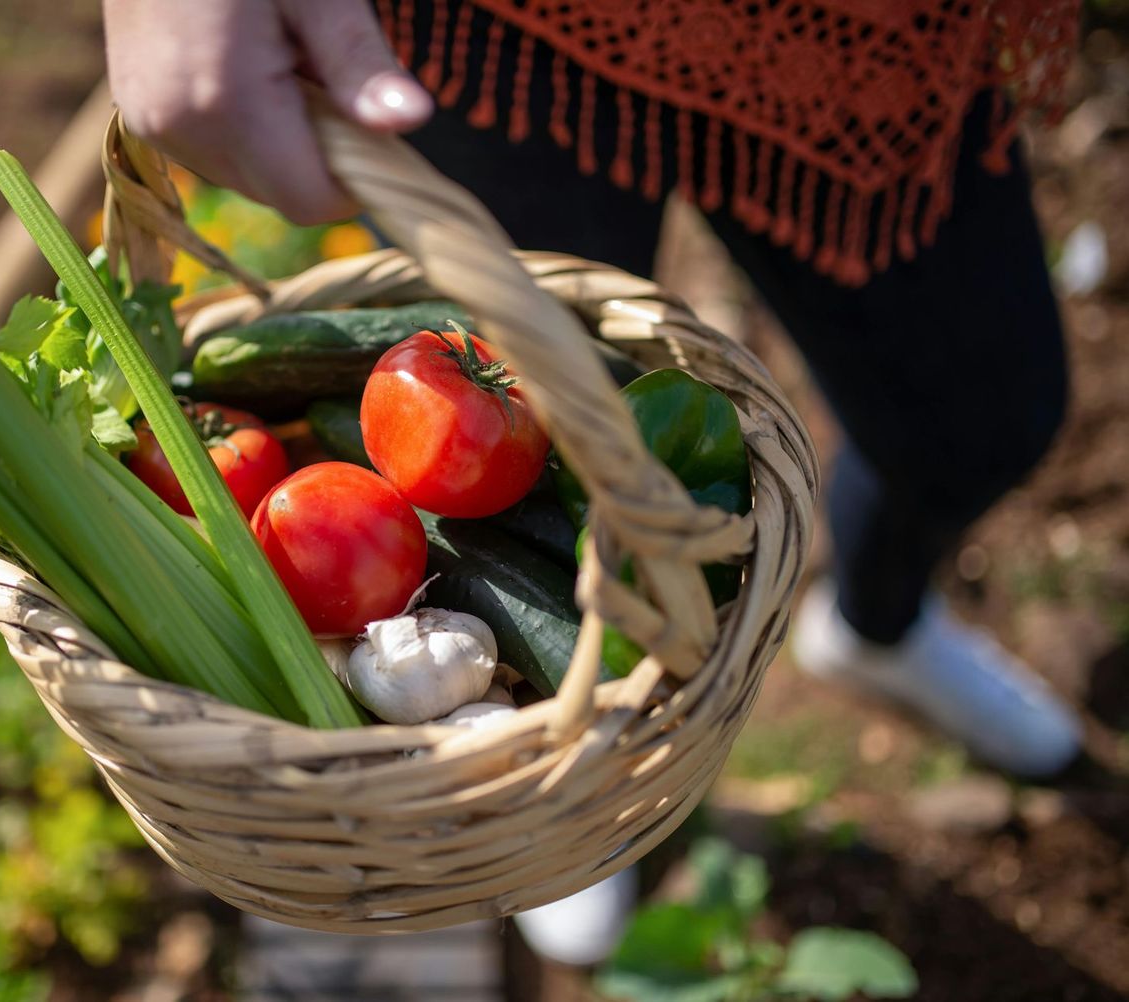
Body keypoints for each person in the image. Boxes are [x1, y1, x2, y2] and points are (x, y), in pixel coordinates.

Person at [102, 0, 1083, 961]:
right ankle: (565, 774)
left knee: (988, 414)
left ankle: (878, 623)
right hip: (500, 33)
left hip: (852, 34)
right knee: (523, 318)